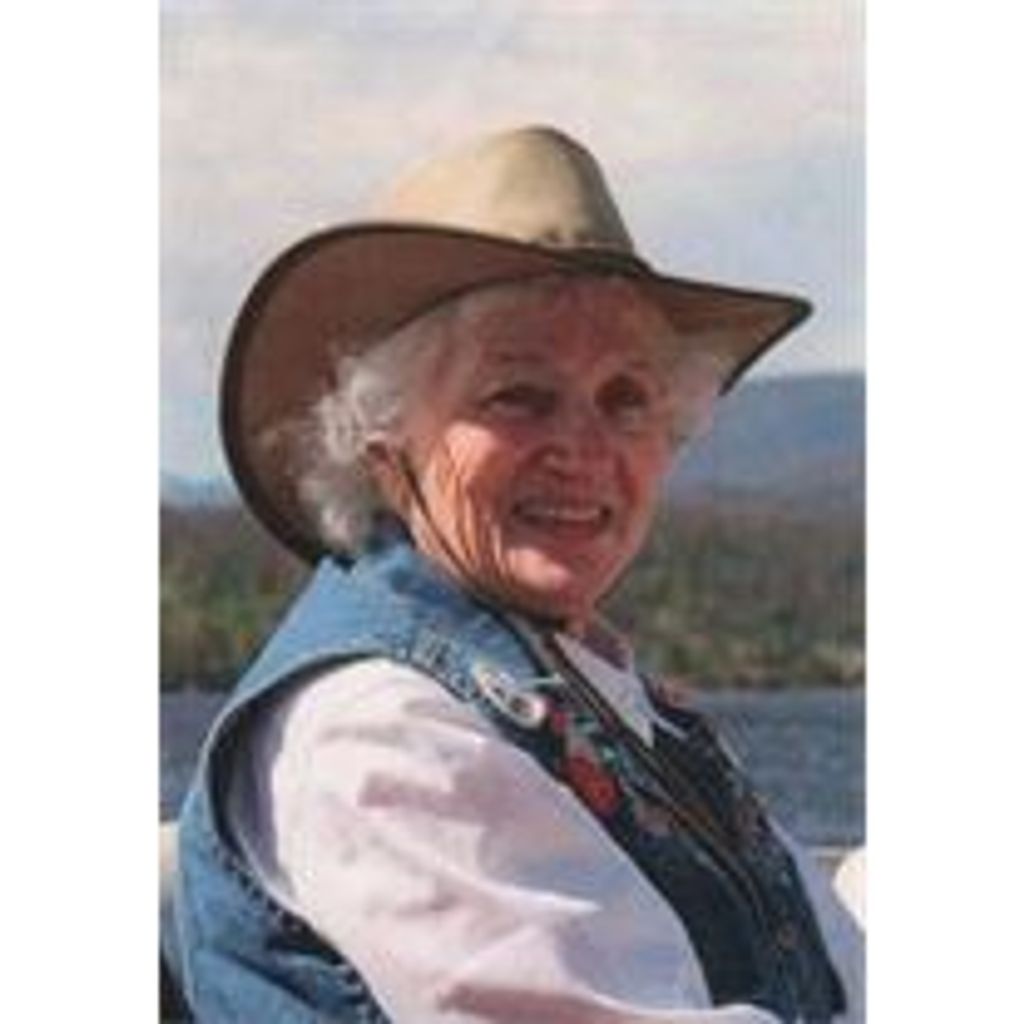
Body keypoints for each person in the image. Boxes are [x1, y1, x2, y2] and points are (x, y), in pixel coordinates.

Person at [174, 125, 863, 1023]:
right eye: (519, 396)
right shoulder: (381, 727)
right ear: (383, 446)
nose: (582, 448)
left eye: (625, 398)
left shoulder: (604, 702)